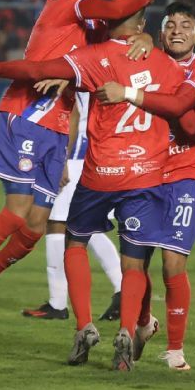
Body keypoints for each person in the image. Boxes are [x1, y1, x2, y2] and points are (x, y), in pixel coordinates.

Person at [0, 8, 195, 370]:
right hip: (146, 174)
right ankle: (127, 329)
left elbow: (36, 70)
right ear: (146, 29)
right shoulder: (167, 66)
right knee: (135, 261)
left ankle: (83, 324)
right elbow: (192, 122)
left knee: (74, 239)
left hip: (100, 170)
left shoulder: (93, 57)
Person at [0, 0, 156, 326]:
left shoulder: (83, 28)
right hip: (25, 116)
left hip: (56, 129)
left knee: (38, 223)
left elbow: (121, 31)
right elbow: (119, 8)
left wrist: (147, 36)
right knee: (17, 210)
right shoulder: (64, 5)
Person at [126, 2, 195, 371]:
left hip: (185, 169)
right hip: (144, 168)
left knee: (171, 261)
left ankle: (176, 350)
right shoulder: (145, 59)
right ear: (161, 32)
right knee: (134, 261)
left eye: (186, 25)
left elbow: (187, 115)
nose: (178, 30)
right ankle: (145, 321)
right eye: (170, 25)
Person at [22, 94, 125, 322]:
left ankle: (57, 303)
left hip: (76, 155)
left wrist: (61, 159)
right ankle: (122, 290)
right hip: (94, 152)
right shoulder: (100, 65)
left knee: (57, 223)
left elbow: (74, 113)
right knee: (84, 225)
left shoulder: (77, 66)